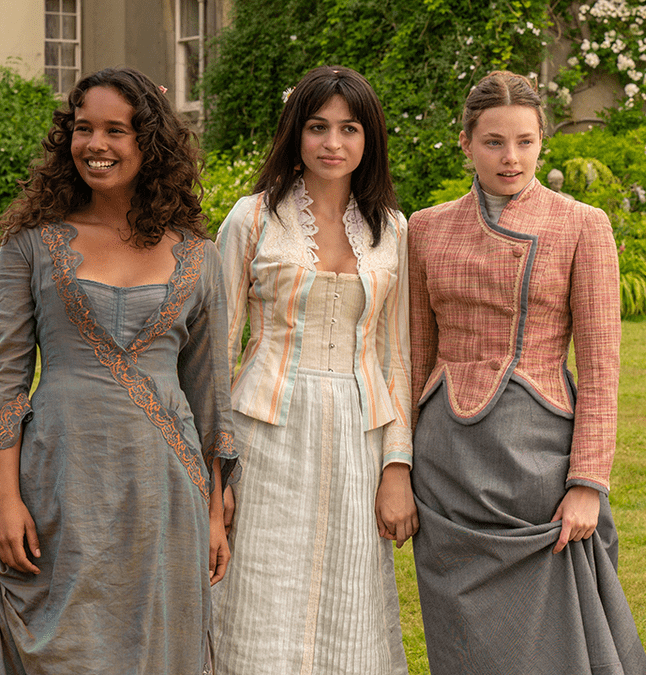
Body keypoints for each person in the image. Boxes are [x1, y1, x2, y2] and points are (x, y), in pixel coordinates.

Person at [0, 67, 238, 674]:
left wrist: (214, 513)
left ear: (148, 143)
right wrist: (5, 495)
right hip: (58, 483)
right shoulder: (29, 244)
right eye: (83, 129)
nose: (95, 144)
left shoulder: (199, 258)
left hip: (163, 490)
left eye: (115, 130)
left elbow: (210, 395)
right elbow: (4, 379)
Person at [408, 70, 646, 675]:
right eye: (493, 141)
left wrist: (588, 481)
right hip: (446, 466)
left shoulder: (582, 224)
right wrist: (397, 462)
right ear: (464, 142)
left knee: (553, 637)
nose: (510, 158)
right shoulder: (424, 229)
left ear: (544, 141)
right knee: (463, 639)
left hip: (538, 463)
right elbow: (411, 358)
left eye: (525, 141)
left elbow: (600, 364)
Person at [210, 65, 413, 674]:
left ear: (367, 139)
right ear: (295, 134)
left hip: (358, 434)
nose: (333, 143)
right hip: (263, 431)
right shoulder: (251, 219)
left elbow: (395, 354)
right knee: (257, 589)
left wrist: (397, 467)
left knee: (349, 594)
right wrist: (214, 471)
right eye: (318, 126)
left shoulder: (393, 231)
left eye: (349, 128)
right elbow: (214, 353)